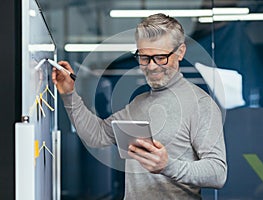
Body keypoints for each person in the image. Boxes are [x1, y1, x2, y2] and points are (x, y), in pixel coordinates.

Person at [52, 13, 227, 200]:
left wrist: (167, 166)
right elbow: (97, 135)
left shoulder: (201, 104)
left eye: (160, 57)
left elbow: (217, 172)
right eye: (144, 57)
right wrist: (69, 94)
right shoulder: (138, 103)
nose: (151, 67)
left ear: (180, 52)